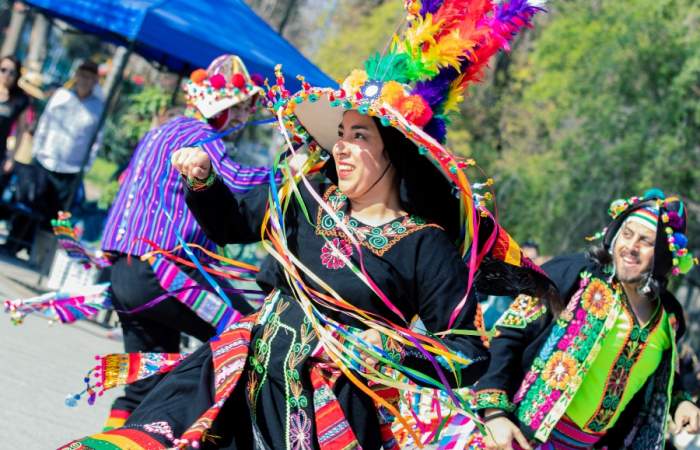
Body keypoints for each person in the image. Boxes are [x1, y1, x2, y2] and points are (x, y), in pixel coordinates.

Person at [60, 2, 549, 448]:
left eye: (358, 135)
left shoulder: (426, 245)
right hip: (237, 370)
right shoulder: (307, 197)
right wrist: (204, 182)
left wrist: (389, 346)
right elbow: (232, 224)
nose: (340, 146)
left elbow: (464, 352)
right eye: (340, 133)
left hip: (324, 414)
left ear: (394, 153)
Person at [98, 54, 272, 430]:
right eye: (238, 108)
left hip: (126, 275)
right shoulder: (198, 137)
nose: (242, 118)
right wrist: (287, 176)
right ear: (219, 104)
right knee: (250, 336)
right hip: (161, 273)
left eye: (246, 110)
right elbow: (235, 182)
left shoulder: (164, 130)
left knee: (145, 387)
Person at [474, 189, 700, 449]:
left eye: (646, 241)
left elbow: (663, 377)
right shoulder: (572, 275)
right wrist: (494, 414)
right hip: (521, 437)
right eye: (627, 234)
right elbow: (509, 333)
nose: (631, 247)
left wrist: (681, 402)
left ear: (662, 255)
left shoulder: (668, 318)